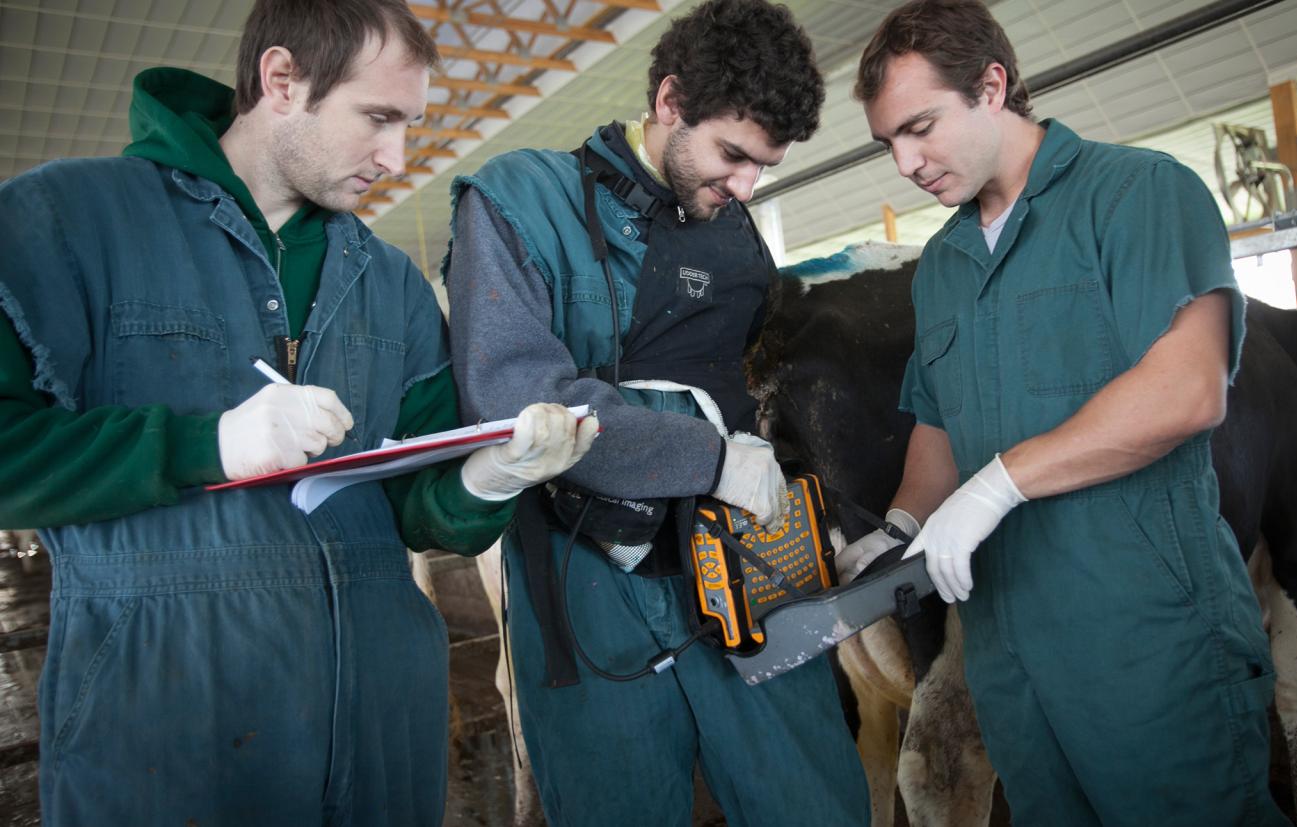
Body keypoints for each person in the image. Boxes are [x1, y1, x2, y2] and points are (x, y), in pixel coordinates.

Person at [0, 1, 595, 823]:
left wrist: (488, 481)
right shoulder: (64, 222)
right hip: (167, 732)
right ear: (281, 80)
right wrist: (204, 444)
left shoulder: (391, 284)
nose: (397, 157)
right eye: (378, 118)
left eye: (410, 124)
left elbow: (417, 513)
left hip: (383, 734)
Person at [841, 1, 1290, 824]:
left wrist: (1001, 484)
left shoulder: (1140, 194)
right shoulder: (941, 264)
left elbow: (1189, 388)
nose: (905, 162)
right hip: (1008, 659)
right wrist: (901, 525)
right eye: (888, 143)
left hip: (1149, 644)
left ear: (992, 85)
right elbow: (940, 425)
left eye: (921, 127)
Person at [443, 0, 869, 823]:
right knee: (619, 802)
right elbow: (517, 403)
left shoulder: (739, 234)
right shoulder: (518, 201)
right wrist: (706, 459)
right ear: (669, 101)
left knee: (812, 797)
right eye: (733, 155)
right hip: (585, 569)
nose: (746, 186)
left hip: (744, 561)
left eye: (764, 167)